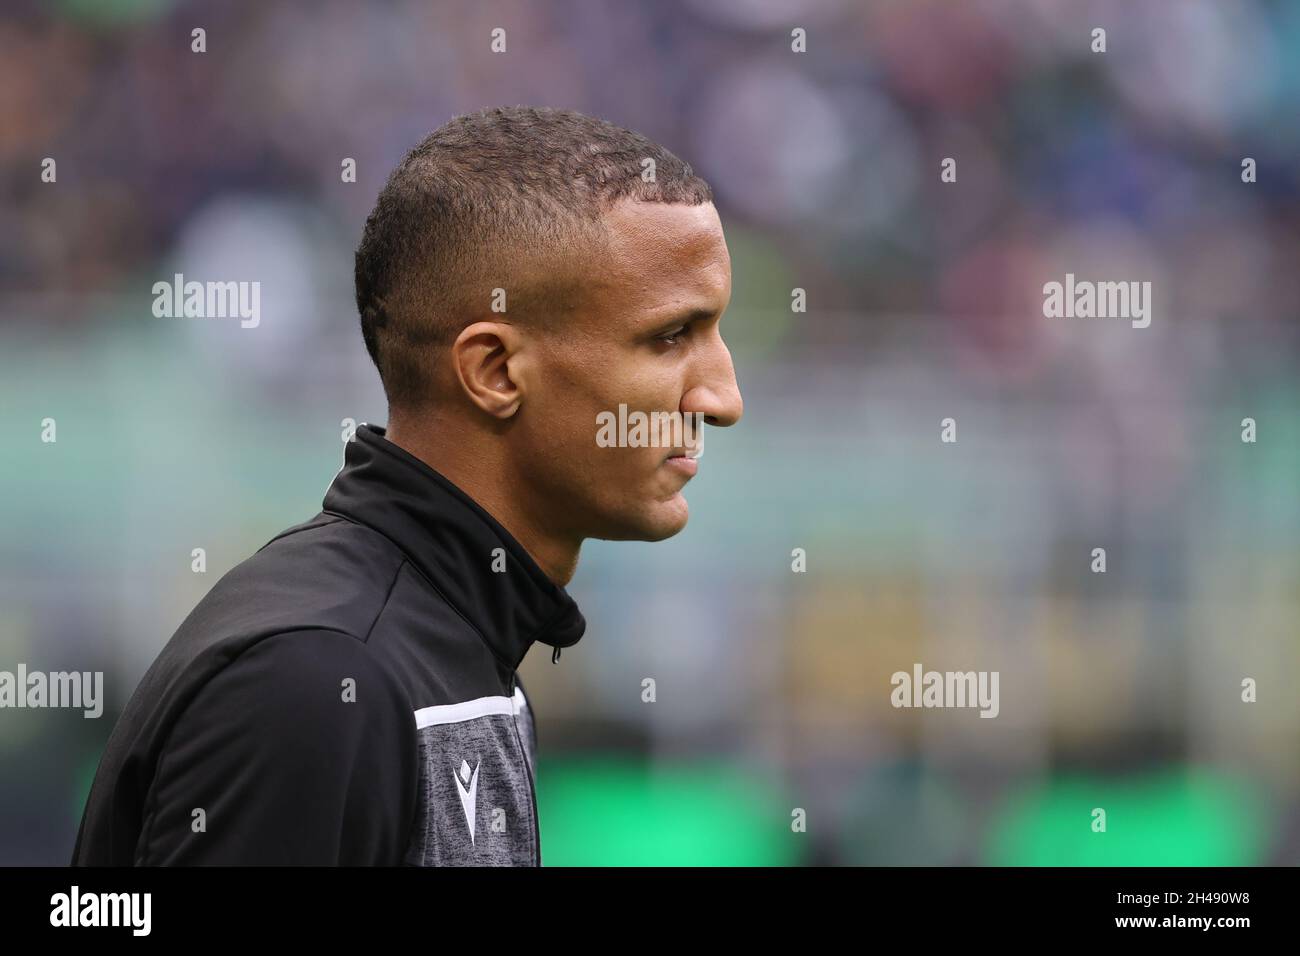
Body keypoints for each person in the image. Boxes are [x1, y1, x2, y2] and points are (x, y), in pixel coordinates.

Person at [72, 105, 743, 866]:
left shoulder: (452, 643)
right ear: (494, 371)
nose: (723, 398)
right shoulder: (316, 679)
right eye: (669, 337)